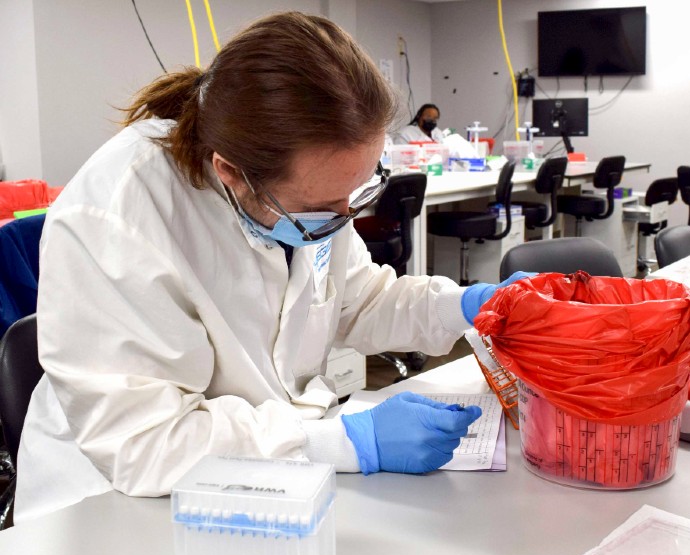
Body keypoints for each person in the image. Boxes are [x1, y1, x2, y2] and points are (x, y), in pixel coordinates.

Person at [16, 12, 526, 521]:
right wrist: (345, 442)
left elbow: (360, 299)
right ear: (231, 173)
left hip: (270, 477)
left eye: (353, 192)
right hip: (112, 507)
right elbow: (149, 445)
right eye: (324, 203)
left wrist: (462, 305)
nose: (343, 217)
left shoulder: (303, 193)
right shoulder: (120, 213)